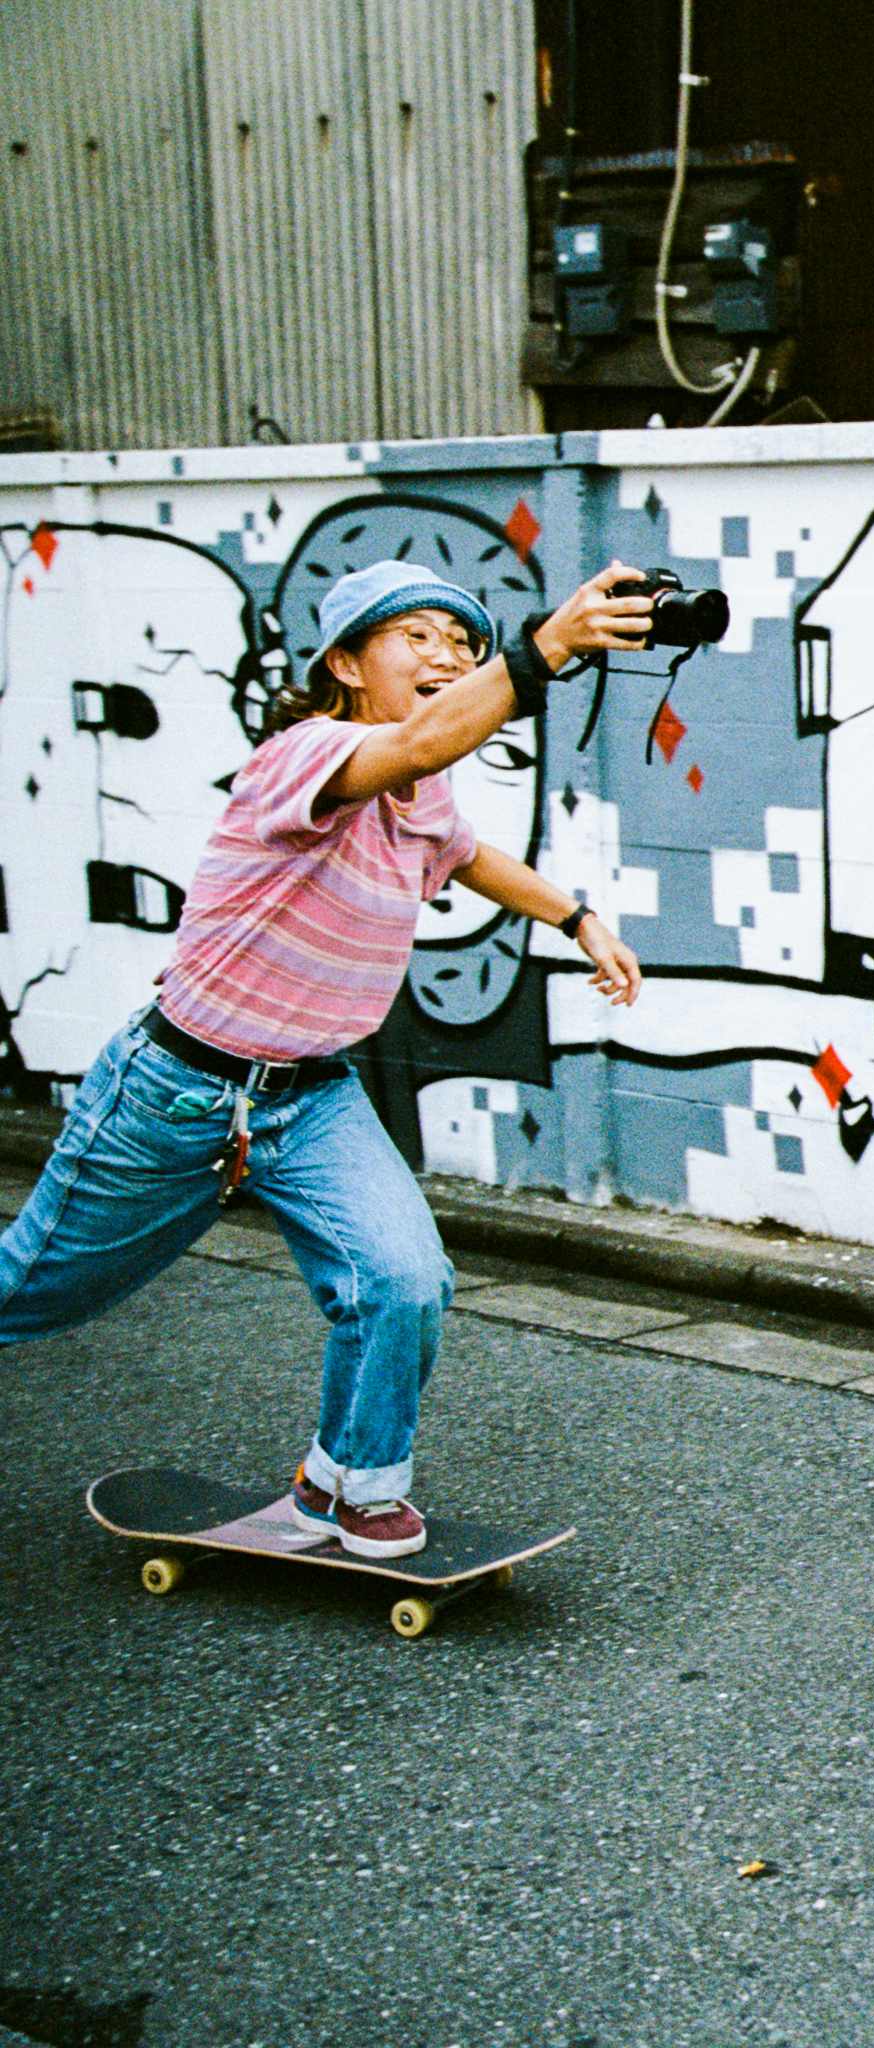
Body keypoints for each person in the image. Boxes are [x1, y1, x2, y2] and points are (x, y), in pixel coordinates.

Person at [0, 557, 655, 1557]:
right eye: (417, 638)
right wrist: (547, 644)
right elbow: (423, 737)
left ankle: (347, 1486)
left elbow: (465, 850)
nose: (447, 655)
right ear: (346, 664)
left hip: (311, 1098)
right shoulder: (304, 754)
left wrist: (576, 916)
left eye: (463, 644)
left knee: (403, 1281)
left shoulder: (420, 788)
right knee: (32, 1289)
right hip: (174, 1090)